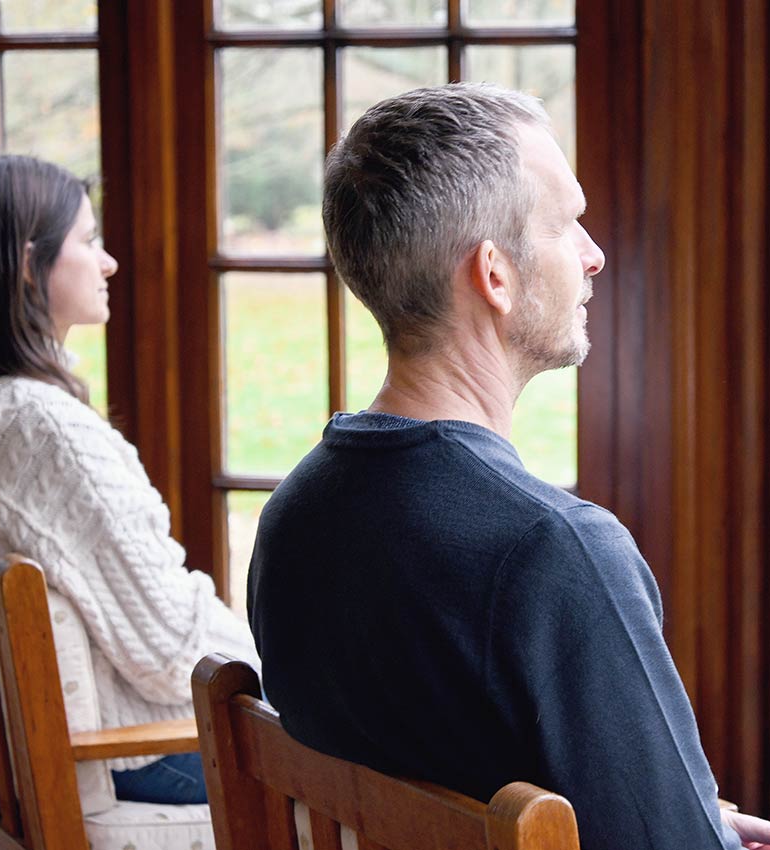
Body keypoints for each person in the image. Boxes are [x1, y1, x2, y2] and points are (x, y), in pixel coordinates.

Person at [247, 84, 770, 849]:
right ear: (494, 275)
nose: (594, 256)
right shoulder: (556, 551)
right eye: (568, 225)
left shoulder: (293, 516)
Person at [0, 152, 260, 805]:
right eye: (89, 240)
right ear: (28, 264)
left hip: (15, 758)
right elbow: (171, 647)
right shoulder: (46, 433)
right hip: (136, 753)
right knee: (377, 768)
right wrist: (290, 675)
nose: (108, 262)